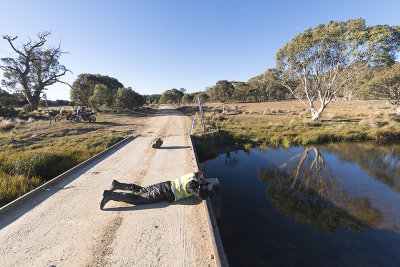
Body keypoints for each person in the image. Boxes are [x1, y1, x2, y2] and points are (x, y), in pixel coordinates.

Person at [100, 171, 213, 210]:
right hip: (163, 192)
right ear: (198, 176)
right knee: (138, 199)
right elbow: (201, 196)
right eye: (201, 179)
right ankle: (110, 195)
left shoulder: (191, 176)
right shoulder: (192, 182)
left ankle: (117, 184)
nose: (201, 181)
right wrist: (207, 188)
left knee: (140, 190)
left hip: (164, 185)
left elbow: (193, 186)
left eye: (202, 181)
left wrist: (202, 184)